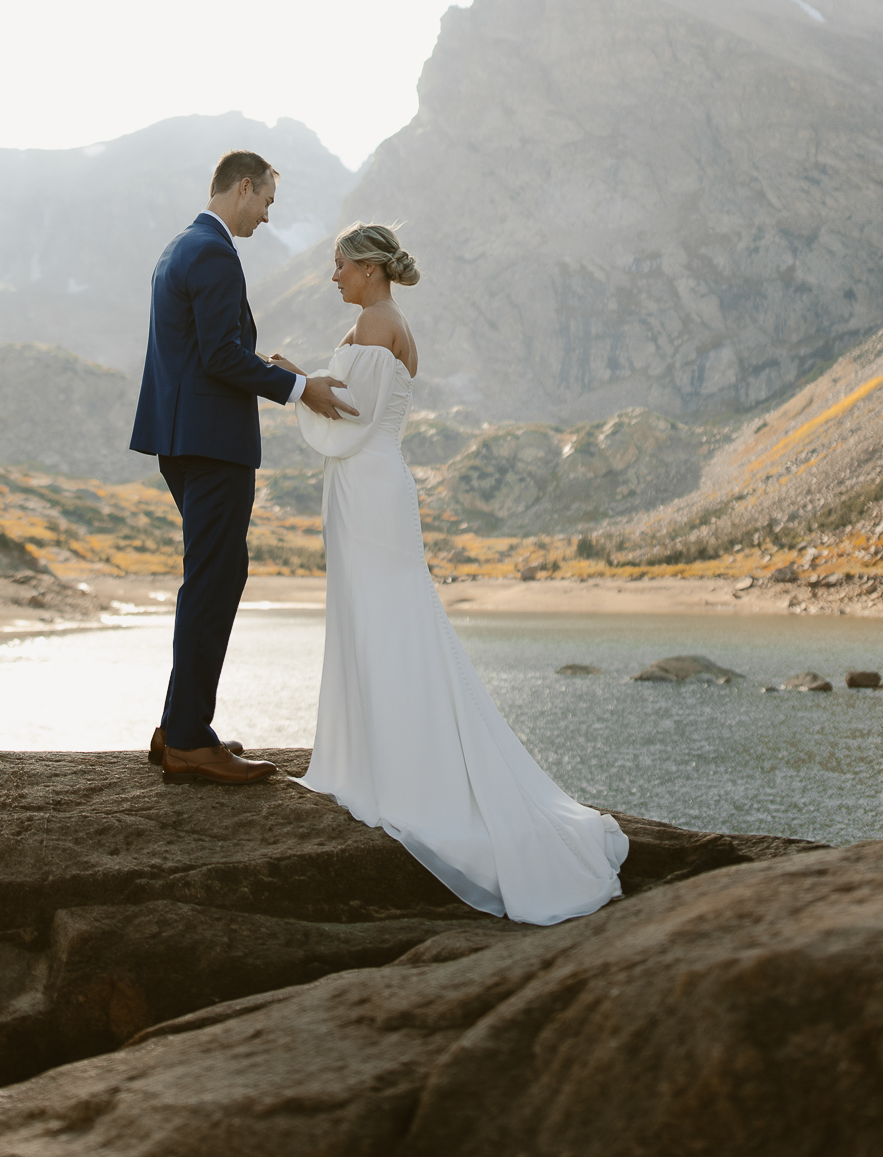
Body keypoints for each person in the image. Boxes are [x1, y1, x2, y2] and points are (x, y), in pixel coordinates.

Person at [280, 221, 629, 924]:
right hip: (370, 485)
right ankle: (383, 757)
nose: (333, 276)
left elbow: (349, 418)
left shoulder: (377, 323)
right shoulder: (382, 319)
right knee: (382, 620)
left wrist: (290, 379)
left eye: (340, 264)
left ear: (371, 267)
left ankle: (396, 772)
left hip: (369, 484)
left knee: (387, 622)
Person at [130, 149, 353, 784]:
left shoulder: (179, 247)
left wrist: (271, 367)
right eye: (267, 204)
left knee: (213, 576)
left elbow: (208, 351)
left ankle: (180, 725)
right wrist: (298, 387)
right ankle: (190, 739)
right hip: (212, 444)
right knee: (215, 581)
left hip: (181, 440)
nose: (266, 217)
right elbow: (222, 356)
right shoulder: (214, 252)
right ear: (245, 188)